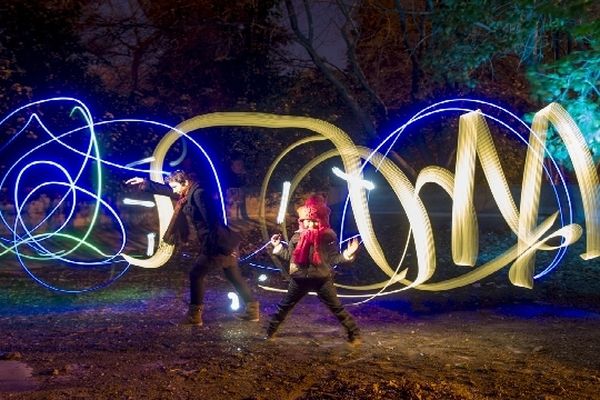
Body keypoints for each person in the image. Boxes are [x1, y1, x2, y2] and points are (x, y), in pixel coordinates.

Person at [125, 170, 259, 326]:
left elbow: (213, 222)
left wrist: (211, 247)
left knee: (196, 274)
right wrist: (145, 182)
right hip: (222, 245)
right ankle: (252, 310)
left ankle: (194, 317)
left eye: (175, 186)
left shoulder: (199, 194)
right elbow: (167, 190)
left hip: (217, 245)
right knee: (233, 276)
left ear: (185, 183)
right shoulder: (187, 193)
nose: (174, 190)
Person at [266, 194, 361, 346]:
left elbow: (334, 258)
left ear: (320, 220)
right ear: (302, 221)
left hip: (322, 280)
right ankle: (270, 331)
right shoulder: (297, 237)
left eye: (313, 222)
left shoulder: (328, 237)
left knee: (336, 307)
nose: (310, 225)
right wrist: (278, 247)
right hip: (299, 279)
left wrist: (347, 254)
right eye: (307, 222)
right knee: (285, 306)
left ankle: (354, 334)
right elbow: (290, 256)